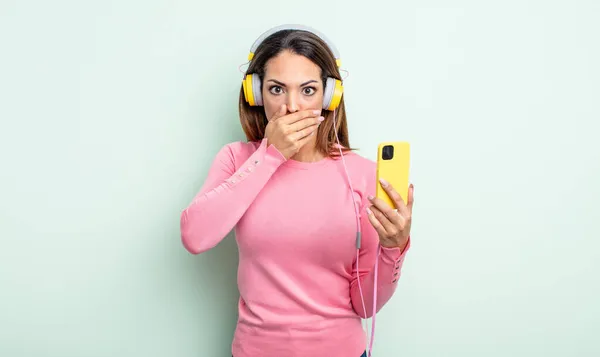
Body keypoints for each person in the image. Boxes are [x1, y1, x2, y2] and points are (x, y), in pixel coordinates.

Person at [180, 24, 414, 357]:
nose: (292, 106)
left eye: (307, 90)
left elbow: (364, 305)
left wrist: (394, 248)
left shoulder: (362, 176)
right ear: (257, 95)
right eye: (277, 89)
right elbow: (195, 236)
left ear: (329, 96)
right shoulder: (238, 160)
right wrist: (271, 155)